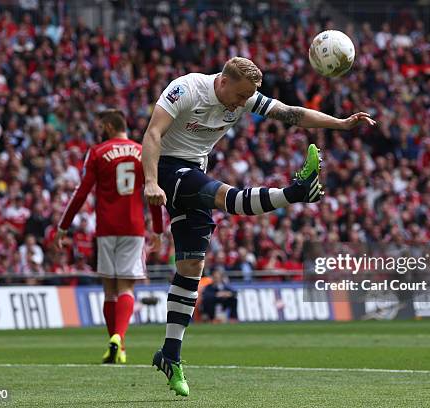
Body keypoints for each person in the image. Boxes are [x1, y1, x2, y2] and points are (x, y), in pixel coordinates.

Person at [142, 57, 376, 396]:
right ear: (222, 81)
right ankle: (296, 191)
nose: (242, 104)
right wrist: (151, 181)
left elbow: (292, 113)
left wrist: (340, 124)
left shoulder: (245, 94)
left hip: (194, 168)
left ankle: (170, 355)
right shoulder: (186, 89)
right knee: (224, 197)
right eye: (239, 97)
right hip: (165, 167)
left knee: (192, 265)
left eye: (246, 98)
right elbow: (152, 134)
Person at [54, 109, 163, 364]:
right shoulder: (142, 150)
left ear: (110, 126)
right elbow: (153, 191)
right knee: (127, 286)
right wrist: (157, 229)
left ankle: (117, 344)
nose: (98, 129)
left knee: (109, 290)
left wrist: (63, 225)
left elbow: (80, 193)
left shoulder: (97, 152)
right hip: (133, 227)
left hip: (105, 228)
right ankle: (119, 338)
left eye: (100, 125)